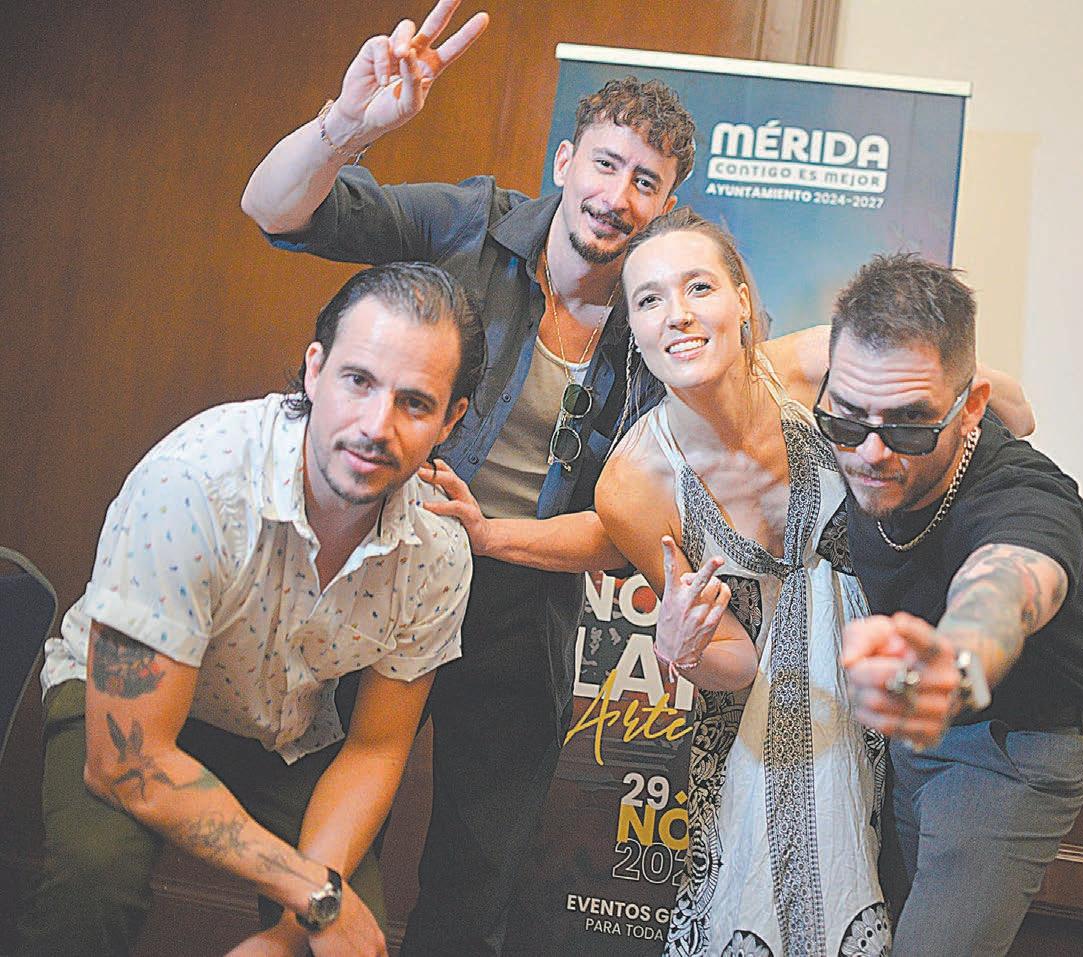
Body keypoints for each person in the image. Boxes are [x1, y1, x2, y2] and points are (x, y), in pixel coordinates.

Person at [240, 4, 696, 953]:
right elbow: (275, 209)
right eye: (605, 164)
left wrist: (492, 536)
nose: (617, 195)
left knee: (476, 882)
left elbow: (637, 526)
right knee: (319, 836)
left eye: (645, 181)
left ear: (666, 202)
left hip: (521, 615)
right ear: (565, 162)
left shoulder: (660, 323)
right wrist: (348, 125)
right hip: (386, 578)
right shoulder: (468, 224)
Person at [16, 262, 484, 957]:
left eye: (414, 403)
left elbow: (375, 748)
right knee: (95, 879)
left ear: (451, 419)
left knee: (345, 942)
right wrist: (313, 894)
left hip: (280, 736)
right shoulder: (195, 482)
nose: (375, 425)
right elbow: (124, 762)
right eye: (357, 381)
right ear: (314, 371)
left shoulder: (438, 551)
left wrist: (292, 933)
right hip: (124, 712)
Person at [597, 208, 892, 957]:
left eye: (699, 286)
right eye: (650, 299)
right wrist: (684, 651)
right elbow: (734, 662)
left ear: (742, 301)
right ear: (633, 329)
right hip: (762, 732)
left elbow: (976, 414)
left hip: (896, 687)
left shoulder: (819, 366)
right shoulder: (631, 485)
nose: (678, 313)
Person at [820, 254, 1083, 957]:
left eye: (909, 427)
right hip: (913, 731)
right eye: (847, 421)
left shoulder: (1022, 491)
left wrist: (955, 661)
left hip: (1014, 744)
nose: (870, 453)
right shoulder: (855, 400)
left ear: (972, 406)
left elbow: (1007, 583)